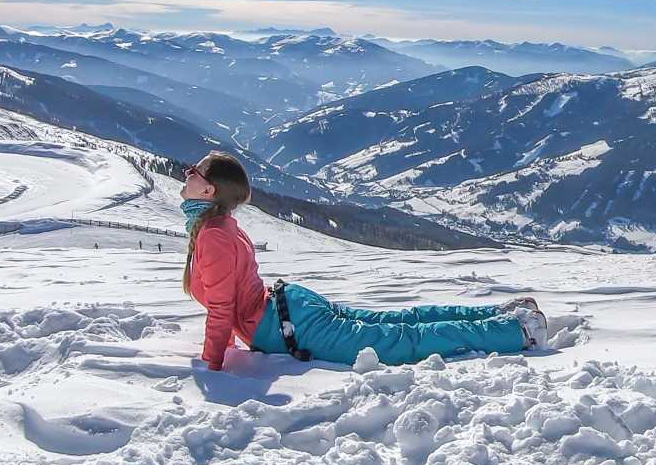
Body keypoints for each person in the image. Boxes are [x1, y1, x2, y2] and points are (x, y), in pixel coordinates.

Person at [180, 151, 548, 371]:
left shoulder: (211, 233)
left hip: (286, 325)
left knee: (401, 341)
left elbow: (222, 307)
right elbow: (226, 298)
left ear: (209, 191)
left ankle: (516, 330)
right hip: (288, 307)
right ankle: (502, 313)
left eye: (193, 172)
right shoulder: (220, 225)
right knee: (400, 323)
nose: (186, 173)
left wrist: (214, 364)